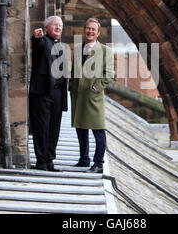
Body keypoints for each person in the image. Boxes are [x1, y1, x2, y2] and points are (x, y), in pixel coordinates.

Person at [69, 18, 114, 173]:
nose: (90, 31)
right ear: (84, 30)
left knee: (98, 130)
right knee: (81, 128)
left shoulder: (105, 51)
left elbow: (108, 74)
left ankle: (98, 163)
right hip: (78, 95)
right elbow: (75, 71)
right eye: (88, 28)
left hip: (93, 96)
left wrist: (97, 88)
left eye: (93, 29)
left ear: (98, 33)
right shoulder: (78, 48)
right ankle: (84, 159)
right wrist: (71, 88)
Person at [29, 15, 68, 172]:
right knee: (41, 128)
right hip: (42, 93)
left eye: (60, 25)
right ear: (46, 28)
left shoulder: (61, 46)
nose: (58, 27)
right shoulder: (43, 42)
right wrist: (36, 37)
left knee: (54, 128)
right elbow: (37, 46)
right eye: (55, 25)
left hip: (57, 94)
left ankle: (49, 160)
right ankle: (41, 161)